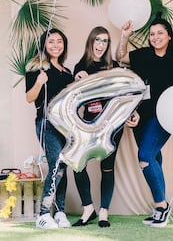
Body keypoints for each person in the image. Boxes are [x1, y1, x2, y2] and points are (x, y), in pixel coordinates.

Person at [116, 13, 173, 227]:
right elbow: (121, 57)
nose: (155, 37)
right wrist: (124, 36)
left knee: (145, 155)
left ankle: (161, 205)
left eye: (160, 33)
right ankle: (160, 208)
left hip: (164, 116)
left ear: (168, 36)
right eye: (152, 34)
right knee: (154, 159)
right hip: (140, 117)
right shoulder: (143, 55)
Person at [72, 26, 140, 228]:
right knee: (77, 165)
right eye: (98, 40)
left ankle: (103, 212)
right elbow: (73, 100)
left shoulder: (115, 67)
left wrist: (133, 112)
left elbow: (128, 93)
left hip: (112, 126)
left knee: (107, 168)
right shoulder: (80, 67)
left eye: (105, 41)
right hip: (87, 125)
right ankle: (88, 209)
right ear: (91, 41)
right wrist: (76, 81)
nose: (101, 45)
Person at [25, 28, 74, 230]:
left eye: (59, 42)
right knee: (55, 164)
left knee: (63, 166)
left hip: (67, 127)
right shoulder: (36, 68)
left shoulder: (67, 72)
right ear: (44, 44)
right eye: (51, 41)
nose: (56, 45)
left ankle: (60, 212)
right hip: (46, 124)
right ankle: (43, 214)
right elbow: (29, 98)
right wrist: (38, 82)